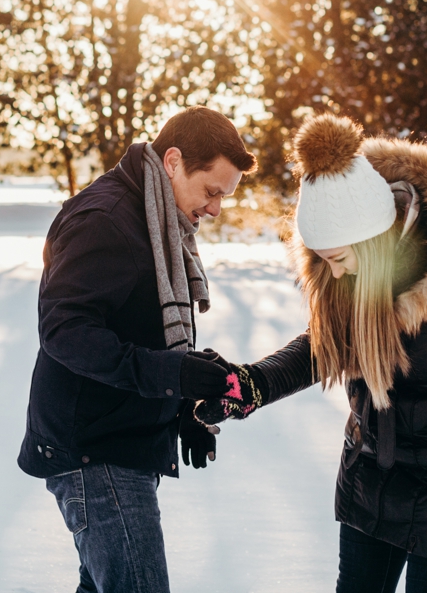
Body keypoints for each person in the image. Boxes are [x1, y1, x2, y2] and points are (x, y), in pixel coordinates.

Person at [197, 114, 427, 592]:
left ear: (373, 239)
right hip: (372, 478)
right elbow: (327, 345)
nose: (335, 273)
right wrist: (256, 382)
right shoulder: (351, 273)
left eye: (339, 258)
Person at [18, 106, 255, 593]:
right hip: (95, 451)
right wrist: (173, 374)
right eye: (212, 191)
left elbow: (139, 330)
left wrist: (180, 411)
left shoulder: (154, 218)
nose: (215, 209)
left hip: (119, 443)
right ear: (172, 162)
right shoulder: (106, 219)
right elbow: (64, 330)